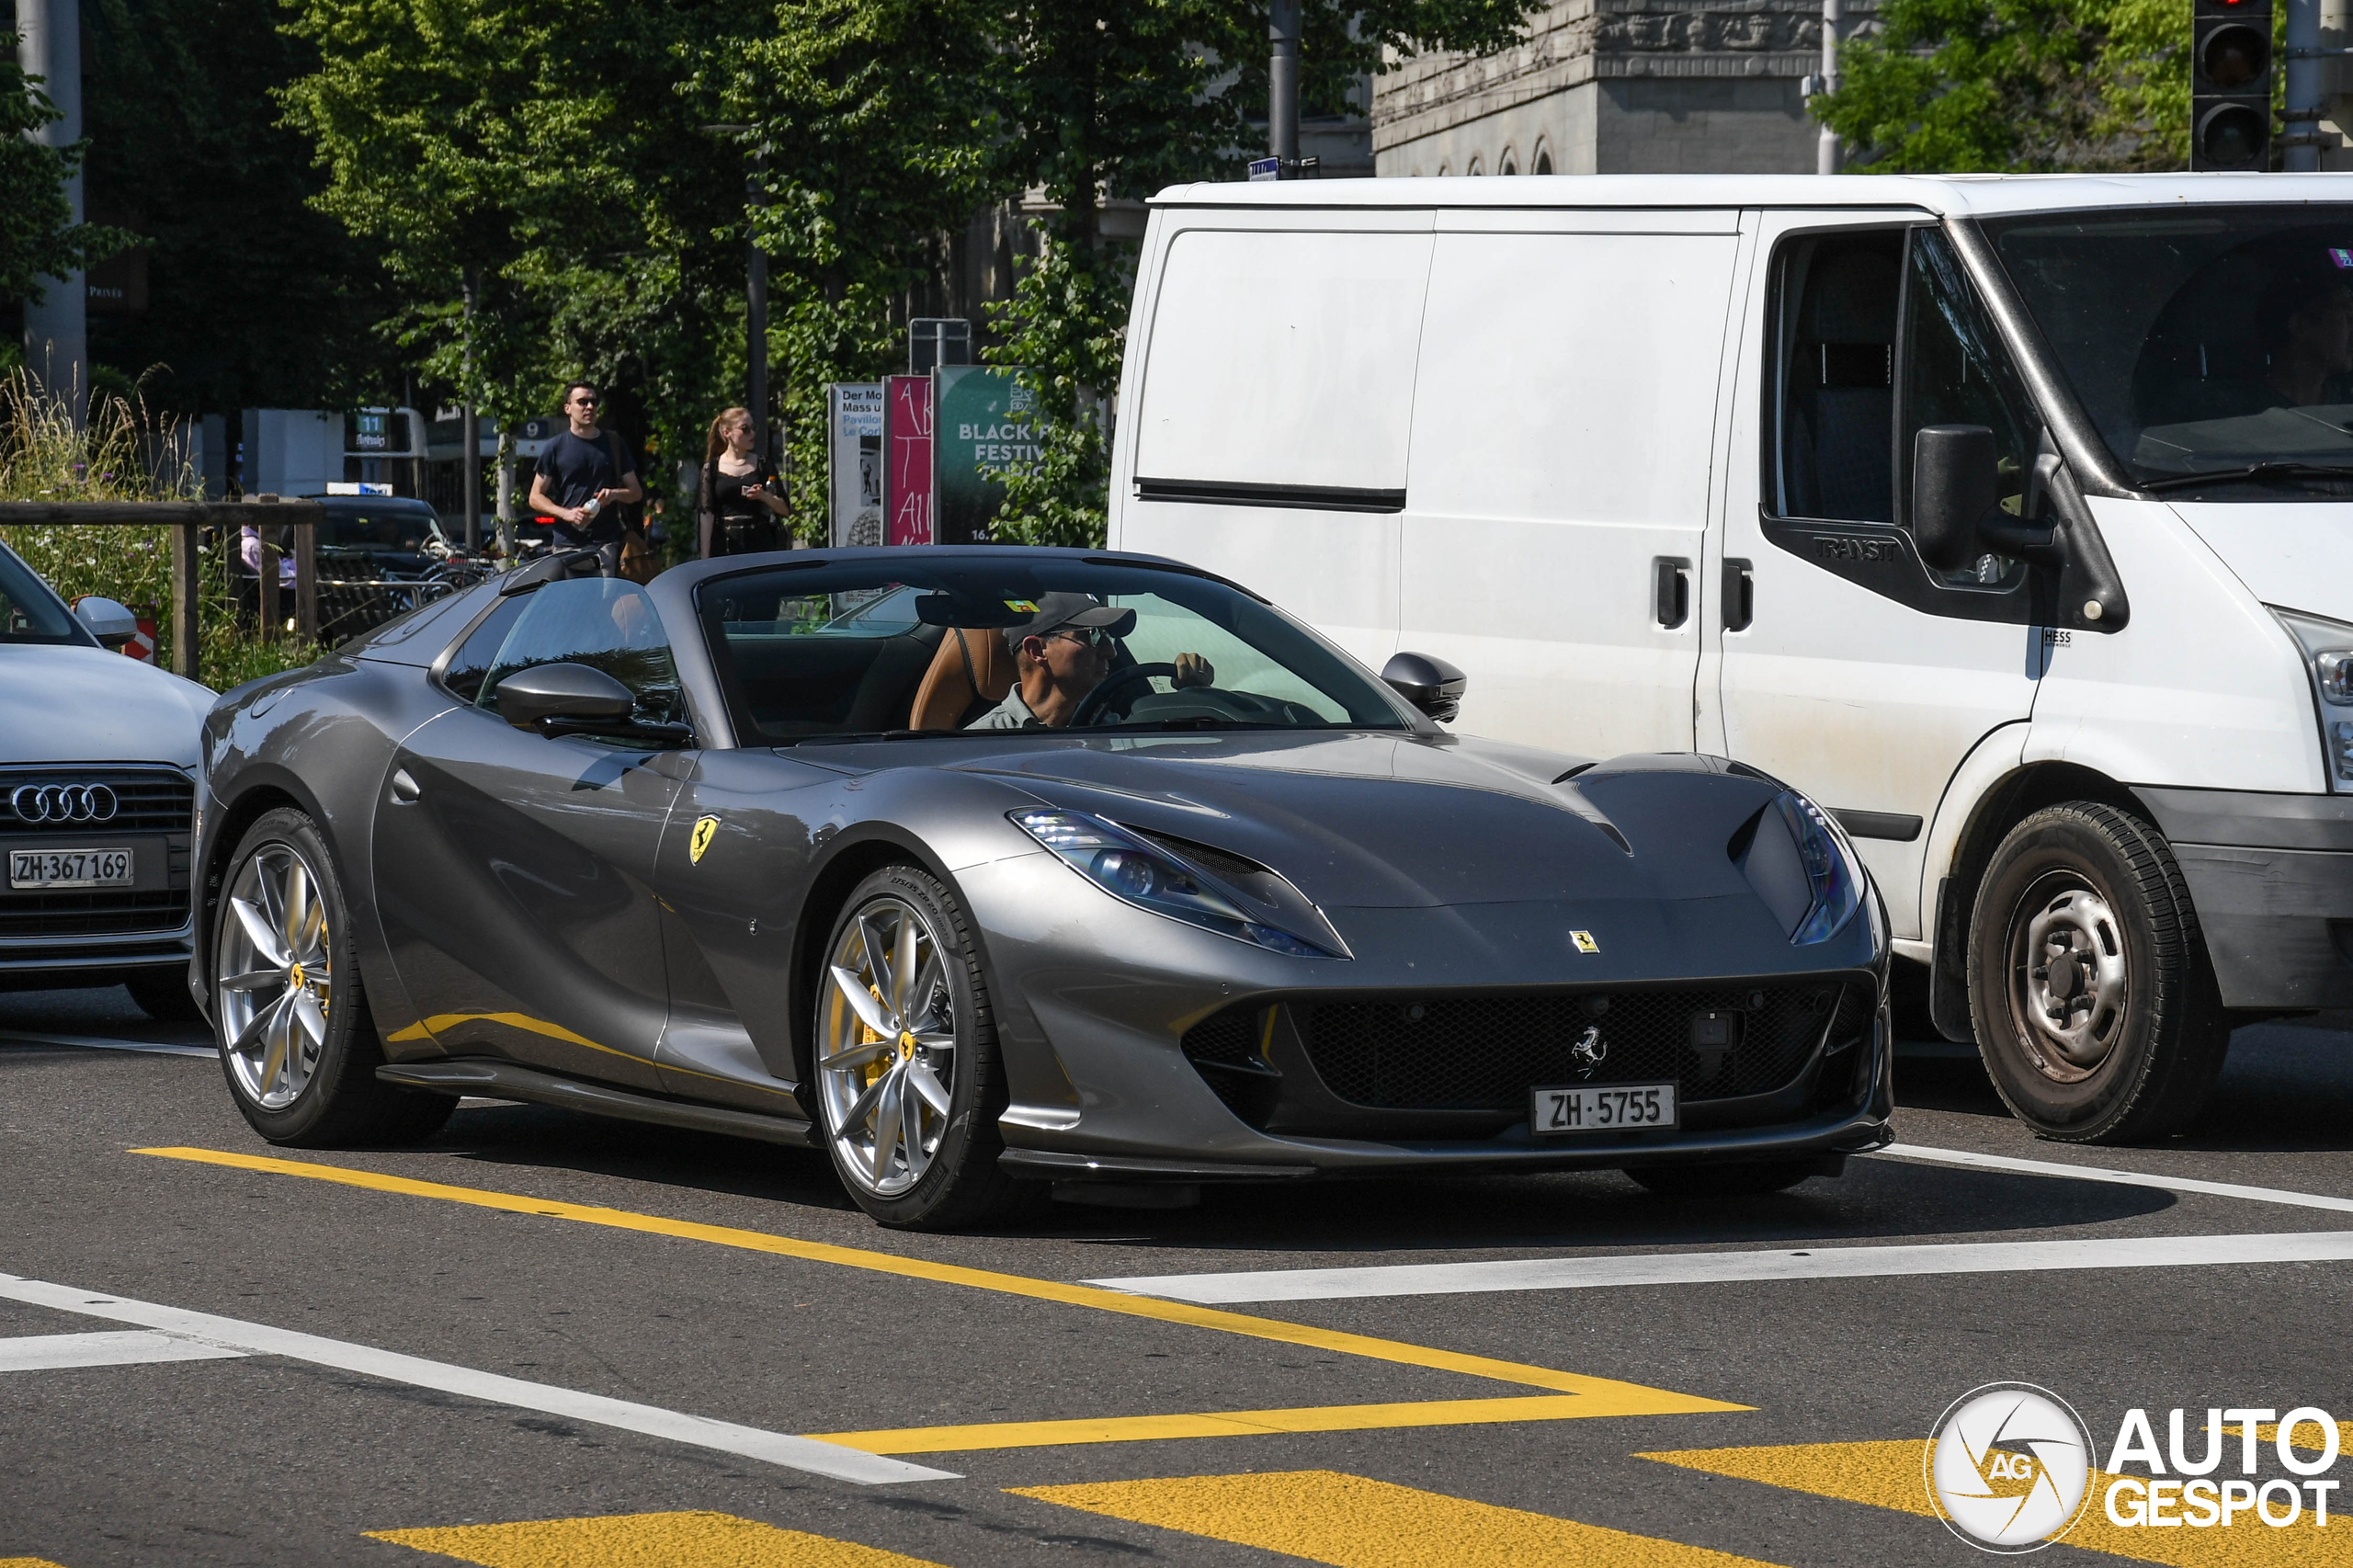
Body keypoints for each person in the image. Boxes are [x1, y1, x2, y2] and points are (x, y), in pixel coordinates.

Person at [967, 593, 1213, 729]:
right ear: (1037, 650)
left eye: (1107, 637)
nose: (1110, 652)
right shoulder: (981, 743)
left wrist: (1194, 696)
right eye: (1092, 635)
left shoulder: (1112, 730)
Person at [528, 381, 645, 575]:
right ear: (568, 408)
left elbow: (636, 493)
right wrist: (566, 513)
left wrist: (614, 495)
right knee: (572, 603)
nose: (590, 407)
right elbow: (535, 497)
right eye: (582, 402)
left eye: (594, 402)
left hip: (606, 544)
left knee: (605, 603)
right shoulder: (555, 447)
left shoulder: (613, 443)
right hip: (567, 545)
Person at [699, 406, 789, 557]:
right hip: (725, 544)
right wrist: (704, 557)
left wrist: (764, 496)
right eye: (745, 429)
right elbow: (707, 515)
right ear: (727, 433)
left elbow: (785, 509)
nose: (752, 434)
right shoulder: (712, 468)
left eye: (753, 428)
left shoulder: (763, 464)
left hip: (760, 543)